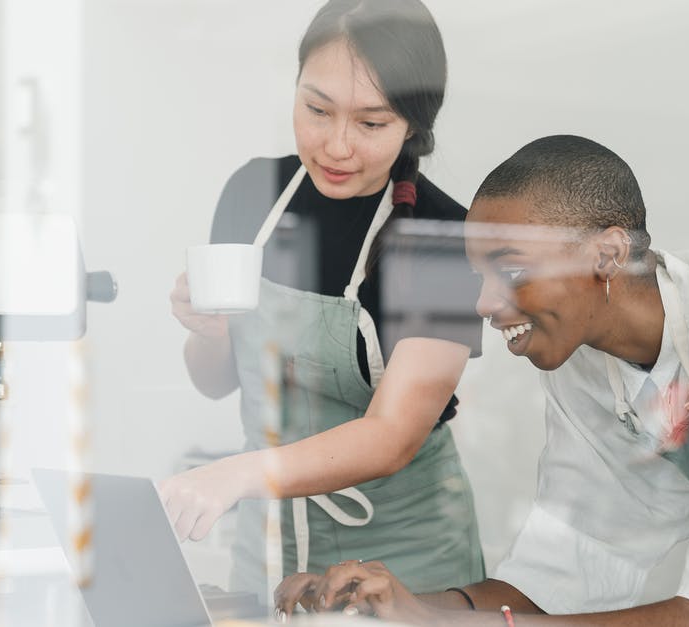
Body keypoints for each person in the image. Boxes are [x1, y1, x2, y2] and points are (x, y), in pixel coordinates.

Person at [274, 135, 689, 625]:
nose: (483, 304)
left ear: (607, 252)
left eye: (509, 268)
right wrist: (404, 607)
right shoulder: (583, 363)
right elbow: (560, 576)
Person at [164, 0, 486, 604]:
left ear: (413, 126)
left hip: (407, 550)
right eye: (316, 109)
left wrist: (237, 475)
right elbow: (214, 381)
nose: (336, 146)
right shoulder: (252, 194)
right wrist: (207, 331)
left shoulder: (443, 237)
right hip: (270, 542)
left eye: (370, 123)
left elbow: (393, 436)